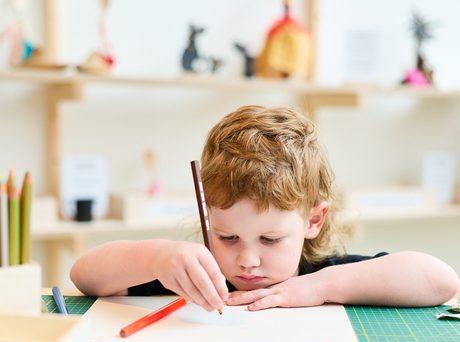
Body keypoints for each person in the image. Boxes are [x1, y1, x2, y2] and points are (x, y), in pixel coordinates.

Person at [70, 105, 459, 311]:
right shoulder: (194, 274)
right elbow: (83, 276)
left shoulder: (320, 276)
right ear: (209, 218)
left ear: (313, 220)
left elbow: (441, 280)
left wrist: (319, 287)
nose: (247, 261)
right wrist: (157, 257)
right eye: (228, 236)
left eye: (270, 238)